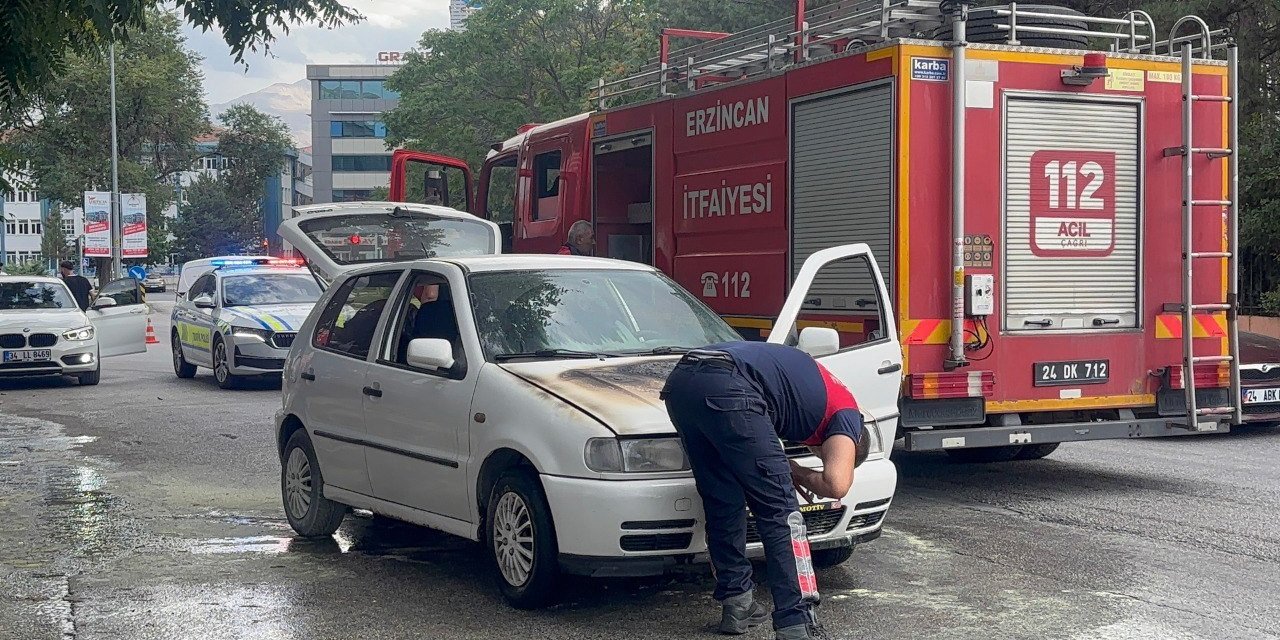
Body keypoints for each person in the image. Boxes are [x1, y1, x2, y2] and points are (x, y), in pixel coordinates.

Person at [660, 341, 870, 640]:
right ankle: (797, 622)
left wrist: (789, 468)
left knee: (723, 501)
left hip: (683, 383)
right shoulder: (848, 416)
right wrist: (797, 471)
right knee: (781, 513)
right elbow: (837, 484)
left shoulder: (808, 397)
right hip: (731, 385)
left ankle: (737, 603)